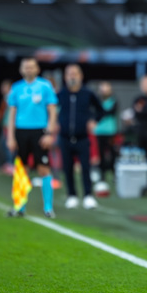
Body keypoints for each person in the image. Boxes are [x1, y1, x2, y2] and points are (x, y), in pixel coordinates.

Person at [6, 57, 58, 217]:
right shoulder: (16, 88)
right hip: (21, 131)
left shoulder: (45, 86)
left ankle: (48, 208)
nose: (28, 69)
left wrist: (49, 133)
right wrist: (10, 137)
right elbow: (12, 114)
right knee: (21, 169)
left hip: (39, 131)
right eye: (26, 67)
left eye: (31, 67)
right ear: (21, 69)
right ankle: (19, 207)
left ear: (37, 69)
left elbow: (52, 111)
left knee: (44, 168)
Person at [57, 64, 104, 210]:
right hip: (65, 137)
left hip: (82, 137)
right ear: (65, 77)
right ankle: (71, 195)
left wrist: (94, 121)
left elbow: (101, 110)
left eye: (75, 73)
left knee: (86, 167)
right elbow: (51, 110)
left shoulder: (87, 93)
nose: (72, 76)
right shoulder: (60, 94)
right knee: (67, 168)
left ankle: (88, 195)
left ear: (81, 76)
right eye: (69, 74)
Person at [94, 81, 118, 181]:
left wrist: (101, 112)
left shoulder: (114, 101)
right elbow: (95, 113)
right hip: (99, 131)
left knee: (112, 153)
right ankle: (102, 174)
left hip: (110, 131)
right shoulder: (97, 101)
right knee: (101, 154)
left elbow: (109, 112)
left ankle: (114, 173)